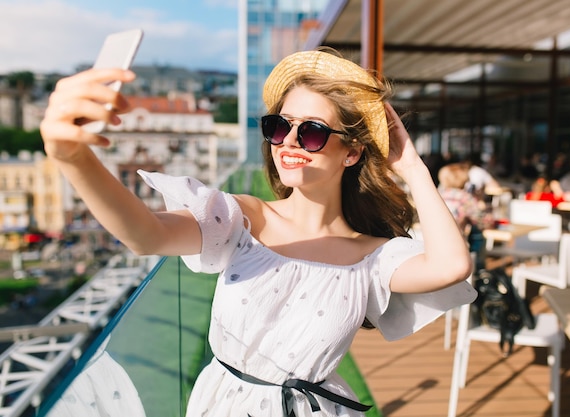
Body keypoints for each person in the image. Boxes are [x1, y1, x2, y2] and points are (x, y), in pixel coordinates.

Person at [40, 48, 475, 417]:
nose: (288, 141)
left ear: (352, 153)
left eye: (313, 132)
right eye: (279, 126)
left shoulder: (371, 256)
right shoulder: (243, 218)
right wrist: (72, 156)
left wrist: (412, 167)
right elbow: (147, 235)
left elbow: (451, 266)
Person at [438, 163, 495, 270]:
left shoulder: (437, 195)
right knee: (477, 236)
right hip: (457, 246)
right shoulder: (465, 198)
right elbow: (483, 221)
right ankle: (479, 270)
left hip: (434, 244)